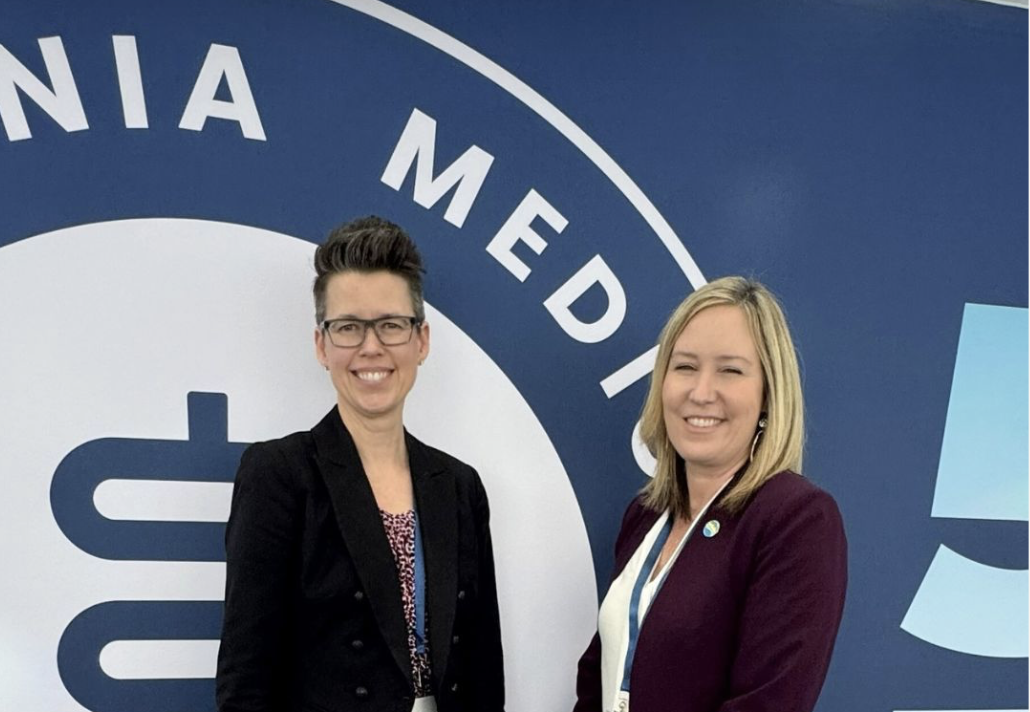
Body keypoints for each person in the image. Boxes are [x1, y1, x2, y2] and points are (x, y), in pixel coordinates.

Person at [216, 216, 504, 712]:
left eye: (391, 325)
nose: (371, 347)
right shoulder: (279, 474)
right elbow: (246, 678)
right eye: (349, 327)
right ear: (321, 345)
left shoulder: (459, 486)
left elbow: (483, 670)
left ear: (421, 340)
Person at [574, 276, 847, 712]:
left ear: (768, 396)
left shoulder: (795, 520)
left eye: (730, 370)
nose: (701, 393)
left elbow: (769, 703)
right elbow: (597, 680)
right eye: (684, 366)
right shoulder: (646, 515)